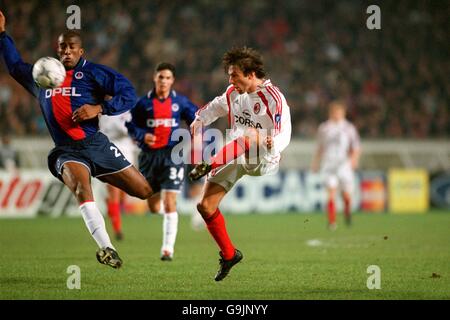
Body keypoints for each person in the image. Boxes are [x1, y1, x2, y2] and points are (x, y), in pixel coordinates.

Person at [0, 10, 153, 269]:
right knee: (83, 189)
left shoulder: (94, 74)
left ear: (81, 51)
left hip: (96, 145)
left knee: (143, 191)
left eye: (72, 47)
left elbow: (128, 93)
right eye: (62, 47)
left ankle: (102, 173)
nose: (67, 51)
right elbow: (15, 66)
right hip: (66, 152)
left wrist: (100, 108)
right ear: (57, 50)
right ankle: (108, 248)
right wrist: (2, 35)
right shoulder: (42, 78)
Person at [188, 47, 292, 281]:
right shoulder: (233, 93)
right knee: (205, 206)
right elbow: (216, 105)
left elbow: (282, 133)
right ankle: (229, 254)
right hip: (235, 153)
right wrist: (199, 119)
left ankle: (207, 163)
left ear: (251, 74)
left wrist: (270, 142)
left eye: (234, 74)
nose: (230, 79)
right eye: (229, 75)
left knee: (248, 136)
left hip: (263, 157)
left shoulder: (273, 97)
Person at [126, 62, 198, 261]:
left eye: (167, 78)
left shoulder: (181, 102)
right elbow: (131, 125)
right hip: (149, 157)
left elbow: (197, 118)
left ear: (172, 80)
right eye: (161, 77)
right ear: (154, 78)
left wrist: (195, 131)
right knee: (153, 206)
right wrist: (142, 136)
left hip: (173, 155)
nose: (164, 81)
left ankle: (167, 249)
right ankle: (166, 221)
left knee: (169, 202)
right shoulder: (143, 104)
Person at [311, 100, 361, 230]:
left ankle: (347, 212)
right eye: (334, 112)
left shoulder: (349, 128)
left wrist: (354, 160)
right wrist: (316, 163)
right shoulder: (324, 128)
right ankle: (332, 222)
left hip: (344, 164)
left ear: (343, 113)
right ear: (330, 113)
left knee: (346, 194)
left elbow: (356, 147)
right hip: (329, 163)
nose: (337, 114)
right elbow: (320, 147)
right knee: (331, 192)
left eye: (339, 112)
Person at [99, 111, 137, 240]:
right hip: (110, 150)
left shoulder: (128, 109)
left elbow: (132, 129)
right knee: (114, 189)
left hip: (127, 152)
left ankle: (111, 207)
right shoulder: (101, 111)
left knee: (123, 193)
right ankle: (117, 229)